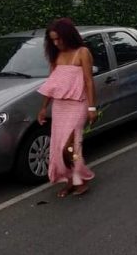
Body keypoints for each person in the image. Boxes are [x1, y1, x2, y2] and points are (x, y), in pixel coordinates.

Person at [37, 18, 97, 197]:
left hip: (78, 104)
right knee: (58, 146)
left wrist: (92, 108)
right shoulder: (56, 56)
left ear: (68, 36)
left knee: (70, 147)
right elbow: (52, 83)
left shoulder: (82, 52)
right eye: (53, 40)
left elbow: (88, 81)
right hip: (60, 106)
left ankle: (81, 179)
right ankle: (72, 181)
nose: (56, 43)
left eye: (59, 39)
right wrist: (43, 108)